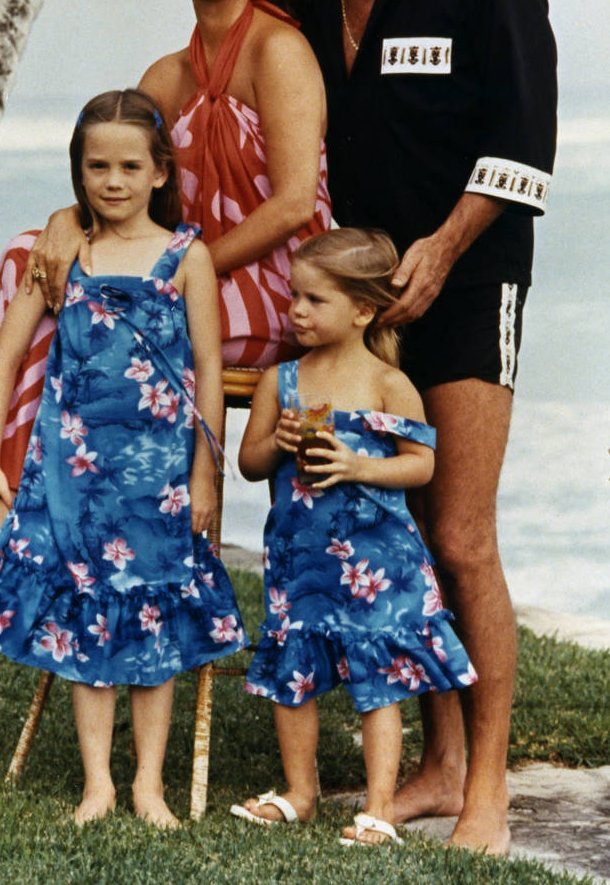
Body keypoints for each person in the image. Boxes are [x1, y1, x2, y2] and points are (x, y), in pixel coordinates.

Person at [291, 0, 558, 854]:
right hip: (364, 309)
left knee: (459, 534)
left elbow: (525, 147)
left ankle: (486, 788)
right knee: (400, 534)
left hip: (470, 284)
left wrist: (446, 249)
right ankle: (439, 763)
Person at [0, 0, 332, 580]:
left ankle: (25, 523)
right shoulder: (163, 78)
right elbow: (121, 178)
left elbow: (293, 204)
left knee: (89, 303)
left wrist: (183, 270)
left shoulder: (279, 52)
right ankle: (5, 513)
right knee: (25, 257)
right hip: (180, 273)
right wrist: (66, 219)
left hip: (272, 282)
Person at [0, 90, 247, 828]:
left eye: (129, 166)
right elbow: (7, 359)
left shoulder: (189, 257)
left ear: (159, 172)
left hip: (159, 476)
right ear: (78, 171)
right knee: (84, 621)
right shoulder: (63, 255)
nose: (112, 181)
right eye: (97, 167)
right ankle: (98, 785)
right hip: (74, 472)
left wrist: (205, 474)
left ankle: (148, 785)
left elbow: (210, 375)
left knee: (154, 624)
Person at [231, 229, 476, 845]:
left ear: (363, 310)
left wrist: (358, 466)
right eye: (295, 296)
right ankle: (300, 792)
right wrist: (277, 443)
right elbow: (250, 462)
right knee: (293, 676)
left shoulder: (387, 384)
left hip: (377, 559)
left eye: (315, 300)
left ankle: (379, 806)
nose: (297, 311)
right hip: (301, 559)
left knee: (380, 680)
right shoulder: (281, 382)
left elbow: (421, 465)